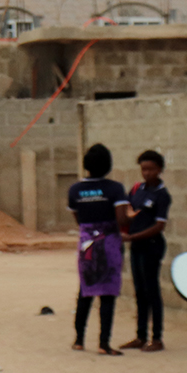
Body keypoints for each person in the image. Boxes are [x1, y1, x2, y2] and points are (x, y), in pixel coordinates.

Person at [68, 143, 131, 354]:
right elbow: (121, 218)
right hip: (109, 242)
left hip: (86, 243)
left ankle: (79, 339)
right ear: (108, 164)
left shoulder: (75, 190)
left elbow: (78, 218)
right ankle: (104, 343)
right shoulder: (115, 189)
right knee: (107, 293)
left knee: (85, 290)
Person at [119, 150, 170, 352]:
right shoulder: (136, 189)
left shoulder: (162, 194)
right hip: (137, 246)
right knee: (139, 291)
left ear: (159, 170)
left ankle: (157, 338)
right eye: (143, 169)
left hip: (152, 246)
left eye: (151, 169)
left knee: (152, 291)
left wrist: (132, 237)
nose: (147, 173)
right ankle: (140, 336)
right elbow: (127, 212)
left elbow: (159, 226)